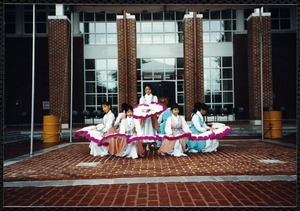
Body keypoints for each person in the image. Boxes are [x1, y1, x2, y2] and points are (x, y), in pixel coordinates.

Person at [139, 84, 160, 151]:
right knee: (145, 129)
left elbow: (156, 106)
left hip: (152, 116)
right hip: (145, 117)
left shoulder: (154, 97)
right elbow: (140, 107)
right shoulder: (142, 98)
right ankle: (145, 144)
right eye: (146, 89)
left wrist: (151, 109)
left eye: (149, 89)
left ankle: (151, 143)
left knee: (152, 129)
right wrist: (145, 110)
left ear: (151, 90)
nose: (147, 91)